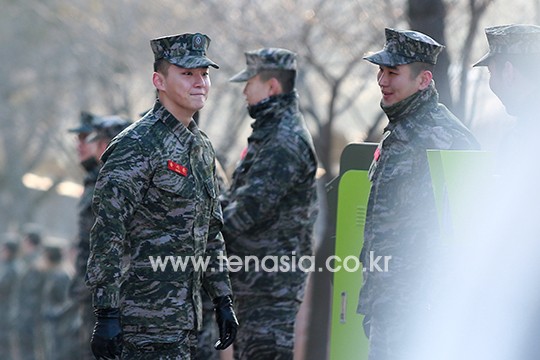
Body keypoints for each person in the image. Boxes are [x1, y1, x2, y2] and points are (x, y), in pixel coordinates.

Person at [85, 32, 238, 360]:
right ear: (159, 80)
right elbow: (108, 231)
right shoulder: (136, 145)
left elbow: (211, 233)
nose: (200, 83)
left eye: (205, 74)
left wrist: (223, 300)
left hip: (184, 322)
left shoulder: (201, 148)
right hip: (140, 322)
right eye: (187, 74)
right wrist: (106, 312)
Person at [356, 28, 480, 360]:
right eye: (380, 71)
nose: (382, 80)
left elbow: (465, 233)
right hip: (387, 307)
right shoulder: (398, 131)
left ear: (424, 80)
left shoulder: (448, 139)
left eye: (392, 73)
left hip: (422, 313)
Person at [222, 48, 319, 360]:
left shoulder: (283, 140)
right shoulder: (270, 133)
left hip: (270, 286)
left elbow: (248, 208)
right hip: (256, 282)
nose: (245, 90)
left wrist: (200, 231)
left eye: (250, 82)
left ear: (272, 87)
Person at [68, 112, 132, 360]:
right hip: (95, 291)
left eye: (89, 139)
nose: (82, 145)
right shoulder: (95, 181)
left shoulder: (115, 182)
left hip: (111, 293)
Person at [12, 224, 46, 360]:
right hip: (25, 314)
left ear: (29, 241)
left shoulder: (36, 262)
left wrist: (25, 316)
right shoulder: (29, 260)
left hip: (30, 316)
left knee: (30, 350)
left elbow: (32, 292)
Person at [0, 234, 19, 360]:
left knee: (4, 343)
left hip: (6, 311)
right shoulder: (6, 266)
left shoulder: (12, 269)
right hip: (5, 310)